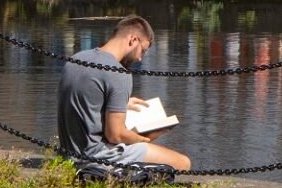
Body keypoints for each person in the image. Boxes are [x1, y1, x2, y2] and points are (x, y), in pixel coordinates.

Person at [57, 16, 190, 172]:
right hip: (96, 157)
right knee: (183, 163)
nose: (140, 58)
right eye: (143, 50)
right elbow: (116, 135)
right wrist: (146, 138)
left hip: (68, 155)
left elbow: (85, 100)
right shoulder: (117, 73)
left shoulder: (76, 58)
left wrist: (122, 104)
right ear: (133, 40)